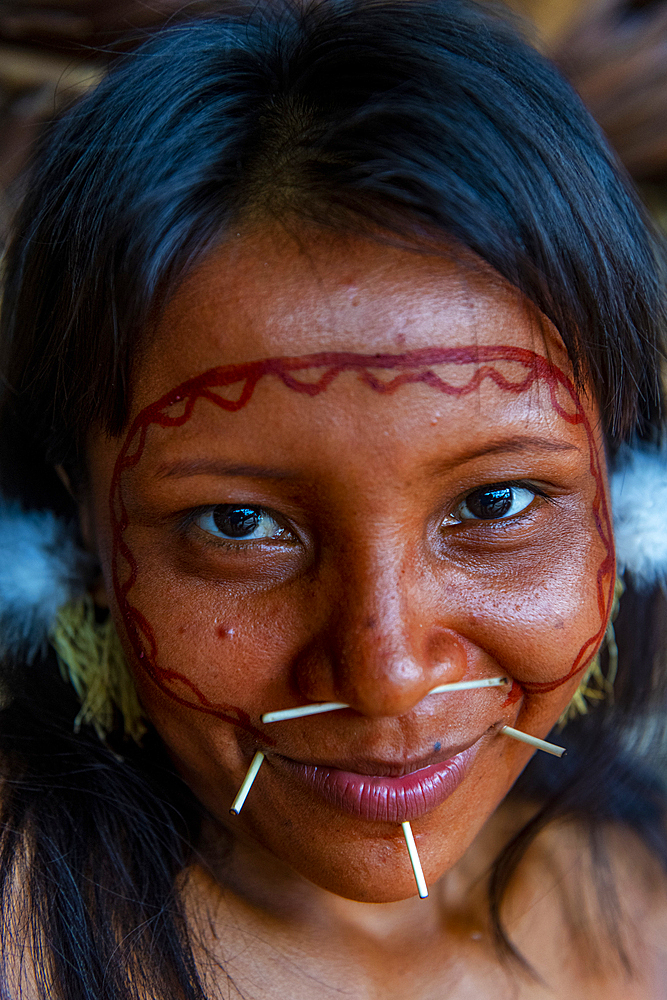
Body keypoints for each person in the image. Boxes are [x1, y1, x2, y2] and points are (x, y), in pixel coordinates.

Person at [0, 1, 666, 996]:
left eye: (494, 504)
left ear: (626, 501)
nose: (387, 674)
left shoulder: (646, 904)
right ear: (69, 531)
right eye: (241, 523)